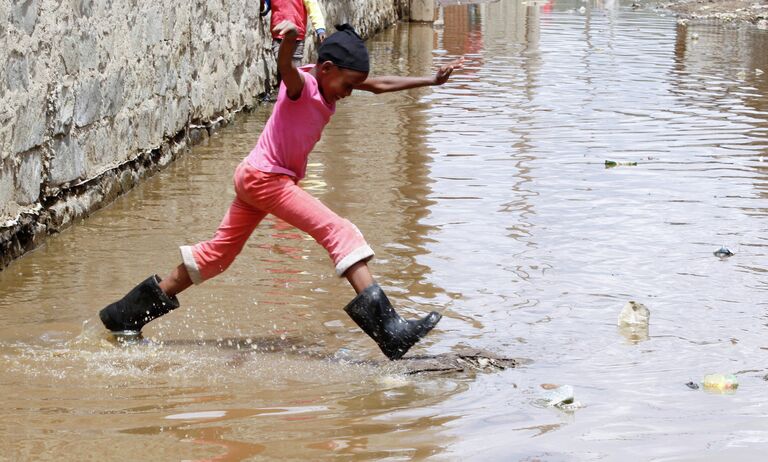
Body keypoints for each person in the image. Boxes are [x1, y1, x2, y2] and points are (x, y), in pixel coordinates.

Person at [98, 22, 463, 360]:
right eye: (348, 86)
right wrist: (288, 44)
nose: (350, 94)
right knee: (340, 231)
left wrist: (431, 80)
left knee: (216, 258)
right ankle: (390, 331)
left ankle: (125, 315)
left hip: (257, 178)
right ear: (326, 69)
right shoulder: (301, 86)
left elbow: (380, 85)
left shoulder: (331, 86)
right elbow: (285, 69)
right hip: (266, 179)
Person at [261, 0, 327, 67]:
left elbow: (314, 9)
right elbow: (264, 9)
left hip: (297, 38)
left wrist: (320, 29)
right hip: (278, 37)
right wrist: (262, 4)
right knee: (281, 65)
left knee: (295, 66)